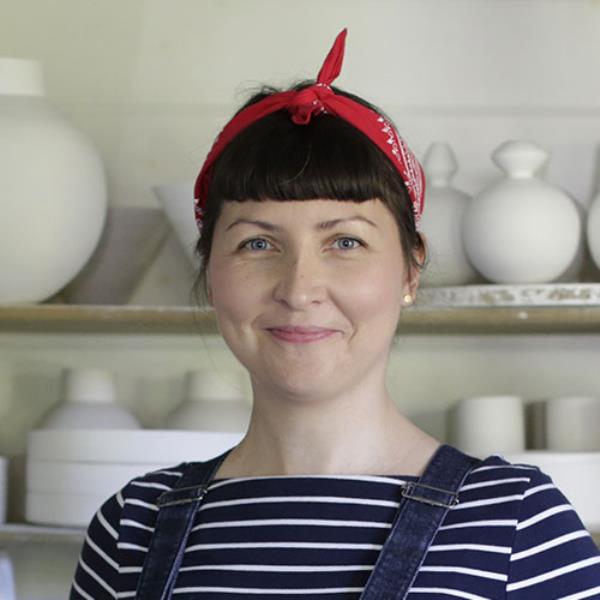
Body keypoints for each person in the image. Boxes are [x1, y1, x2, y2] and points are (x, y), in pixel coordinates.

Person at [70, 29, 600, 599]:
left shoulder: (518, 526)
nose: (299, 289)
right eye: (257, 244)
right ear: (209, 272)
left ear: (410, 270)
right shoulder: (131, 528)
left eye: (346, 242)